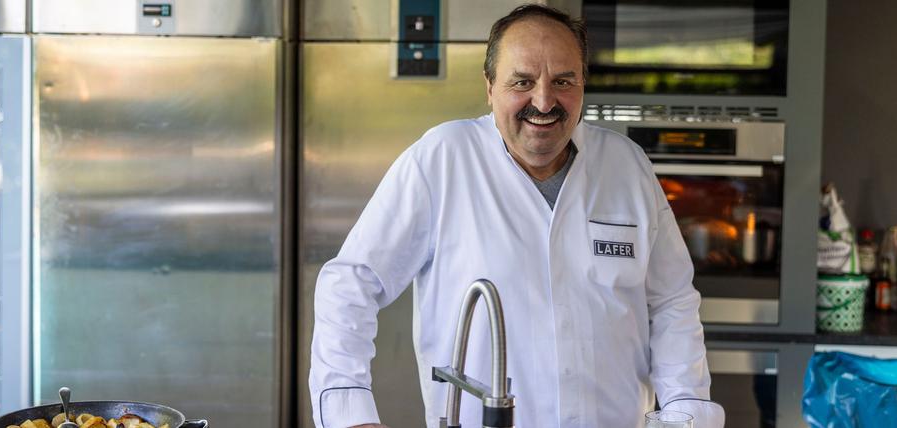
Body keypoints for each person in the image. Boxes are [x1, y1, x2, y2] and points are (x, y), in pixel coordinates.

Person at [310, 4, 724, 428]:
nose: (544, 101)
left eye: (563, 81)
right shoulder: (442, 159)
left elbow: (671, 301)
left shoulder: (626, 165)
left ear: (583, 84)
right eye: (522, 82)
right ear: (489, 87)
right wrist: (348, 412)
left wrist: (684, 409)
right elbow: (351, 284)